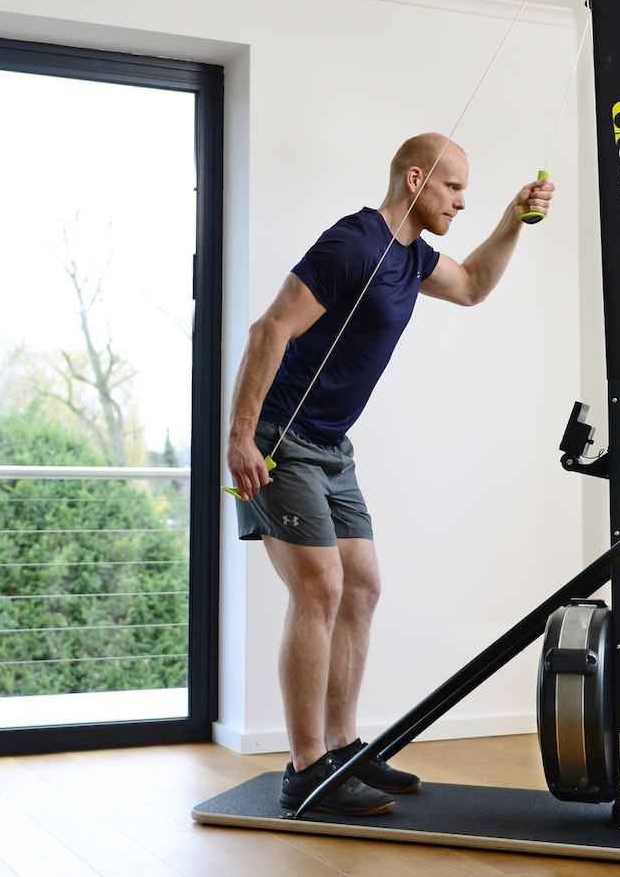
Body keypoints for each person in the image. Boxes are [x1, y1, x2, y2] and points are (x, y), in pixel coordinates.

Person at [225, 133, 555, 815]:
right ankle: (305, 769)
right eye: (452, 187)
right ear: (414, 180)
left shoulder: (411, 256)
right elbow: (269, 330)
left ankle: (344, 748)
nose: (460, 201)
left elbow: (473, 286)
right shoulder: (353, 244)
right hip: (280, 438)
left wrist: (512, 219)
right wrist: (240, 438)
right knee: (320, 586)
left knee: (362, 586)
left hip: (330, 446)